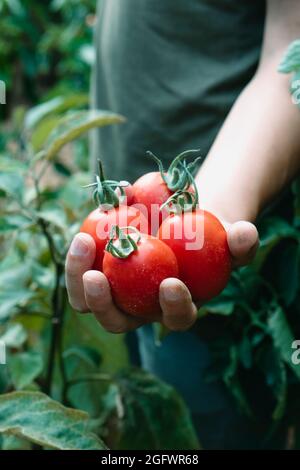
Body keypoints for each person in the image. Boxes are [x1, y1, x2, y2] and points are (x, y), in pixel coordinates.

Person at [65, 0, 300, 449]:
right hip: (125, 246)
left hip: (218, 292)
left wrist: (214, 212)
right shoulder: (122, 229)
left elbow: (294, 46)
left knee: (200, 433)